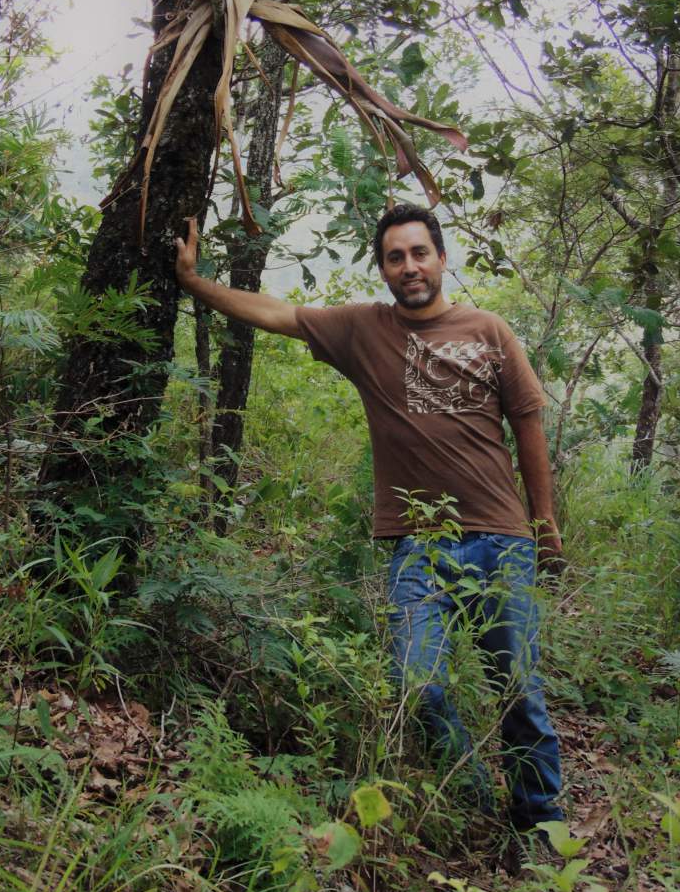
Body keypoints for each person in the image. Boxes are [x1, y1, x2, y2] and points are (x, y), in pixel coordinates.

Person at [175, 201, 564, 843]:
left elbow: (528, 423)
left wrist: (544, 522)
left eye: (419, 253)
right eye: (394, 257)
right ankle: (471, 794)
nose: (409, 266)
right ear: (382, 269)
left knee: (519, 690)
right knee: (417, 687)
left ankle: (542, 828)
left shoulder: (489, 330)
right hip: (416, 546)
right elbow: (275, 313)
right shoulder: (362, 330)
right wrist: (194, 282)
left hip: (501, 539)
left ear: (441, 259)